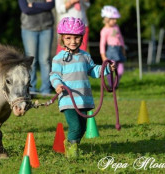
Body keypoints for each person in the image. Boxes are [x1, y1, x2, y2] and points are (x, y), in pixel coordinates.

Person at [49, 17, 115, 159]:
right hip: (68, 99)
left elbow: (93, 71)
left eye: (77, 38)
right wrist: (57, 85)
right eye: (68, 38)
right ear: (62, 39)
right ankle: (72, 153)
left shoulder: (85, 56)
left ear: (81, 38)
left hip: (84, 99)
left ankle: (72, 144)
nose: (73, 41)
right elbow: (54, 75)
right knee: (75, 127)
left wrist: (107, 69)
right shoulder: (58, 58)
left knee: (83, 128)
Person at [18, 0, 55, 96]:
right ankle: (31, 89)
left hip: (46, 27)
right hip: (29, 28)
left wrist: (33, 5)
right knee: (31, 61)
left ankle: (46, 90)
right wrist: (43, 5)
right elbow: (26, 9)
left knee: (45, 60)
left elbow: (50, 5)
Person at [99, 5, 126, 88]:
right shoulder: (104, 30)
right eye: (113, 19)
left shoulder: (116, 27)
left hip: (118, 50)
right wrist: (103, 55)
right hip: (111, 51)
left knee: (121, 70)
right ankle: (111, 84)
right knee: (111, 69)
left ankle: (116, 83)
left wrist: (123, 48)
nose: (115, 20)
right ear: (107, 19)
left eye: (115, 19)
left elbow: (120, 37)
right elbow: (102, 44)